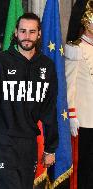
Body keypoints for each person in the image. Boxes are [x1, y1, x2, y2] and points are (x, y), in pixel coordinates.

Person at [0, 13, 58, 189]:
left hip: (29, 144)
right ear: (15, 32)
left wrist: (50, 148)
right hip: (3, 142)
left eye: (32, 32)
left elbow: (50, 110)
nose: (27, 36)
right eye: (23, 31)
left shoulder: (47, 66)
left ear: (39, 34)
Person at [65, 1, 93, 188]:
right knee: (84, 168)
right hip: (83, 120)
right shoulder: (75, 48)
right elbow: (69, 84)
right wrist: (72, 115)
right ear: (86, 22)